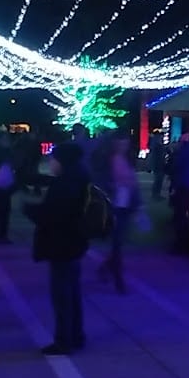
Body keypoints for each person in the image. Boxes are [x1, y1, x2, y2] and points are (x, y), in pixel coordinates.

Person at [25, 142, 90, 353]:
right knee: (72, 291)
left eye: (53, 159)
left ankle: (64, 340)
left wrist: (29, 209)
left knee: (62, 294)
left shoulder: (65, 184)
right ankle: (76, 335)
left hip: (62, 244)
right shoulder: (77, 177)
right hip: (75, 242)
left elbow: (52, 215)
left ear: (62, 161)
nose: (50, 162)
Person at [97, 133, 140, 293]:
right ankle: (118, 279)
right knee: (117, 243)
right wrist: (113, 186)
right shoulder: (108, 160)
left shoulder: (126, 160)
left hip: (125, 205)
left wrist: (137, 204)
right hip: (113, 205)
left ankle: (106, 268)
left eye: (126, 144)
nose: (124, 147)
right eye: (121, 143)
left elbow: (133, 183)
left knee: (119, 242)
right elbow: (101, 182)